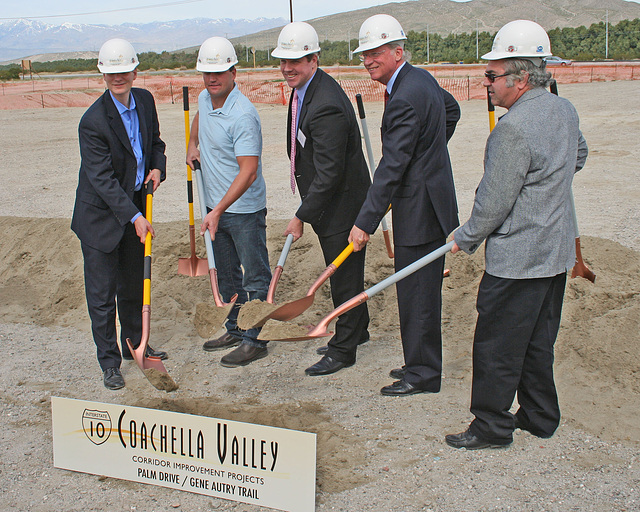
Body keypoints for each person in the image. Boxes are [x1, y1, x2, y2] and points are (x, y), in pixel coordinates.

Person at [445, 20, 589, 450]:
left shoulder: (512, 129)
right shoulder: (563, 110)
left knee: (496, 346)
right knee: (537, 340)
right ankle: (540, 416)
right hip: (554, 254)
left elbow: (493, 203)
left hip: (518, 260)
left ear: (522, 78)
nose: (485, 83)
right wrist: (549, 187)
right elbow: (577, 155)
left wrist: (466, 237)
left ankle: (491, 426)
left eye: (492, 76)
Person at [348, 14, 460, 396]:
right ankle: (418, 362)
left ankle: (424, 375)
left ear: (398, 51)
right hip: (427, 201)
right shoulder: (420, 78)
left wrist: (365, 221)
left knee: (418, 293)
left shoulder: (406, 97)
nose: (368, 60)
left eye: (376, 52)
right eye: (364, 54)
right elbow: (451, 110)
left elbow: (391, 166)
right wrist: (430, 156)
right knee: (415, 289)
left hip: (420, 210)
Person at [271, 22, 372, 376]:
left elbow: (330, 173)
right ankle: (359, 330)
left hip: (341, 206)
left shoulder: (325, 103)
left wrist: (301, 214)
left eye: (295, 61)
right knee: (348, 272)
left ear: (314, 59)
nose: (287, 68)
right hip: (333, 201)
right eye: (283, 61)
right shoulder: (307, 90)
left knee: (343, 276)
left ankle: (343, 349)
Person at [71, 38, 167, 390]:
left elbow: (155, 143)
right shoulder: (93, 122)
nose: (118, 77)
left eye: (124, 71)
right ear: (103, 75)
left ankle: (133, 345)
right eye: (112, 72)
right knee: (101, 295)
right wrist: (136, 217)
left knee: (132, 287)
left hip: (133, 212)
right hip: (100, 220)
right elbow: (103, 181)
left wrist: (158, 168)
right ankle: (109, 362)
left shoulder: (144, 100)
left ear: (134, 71)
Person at [186, 37, 271, 367]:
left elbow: (248, 172)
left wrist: (219, 210)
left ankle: (255, 339)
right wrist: (192, 145)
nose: (212, 79)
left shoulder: (243, 116)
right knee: (227, 276)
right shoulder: (205, 100)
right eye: (206, 73)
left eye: (219, 72)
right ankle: (235, 328)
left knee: (254, 278)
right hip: (215, 209)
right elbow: (198, 120)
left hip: (243, 211)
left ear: (234, 72)